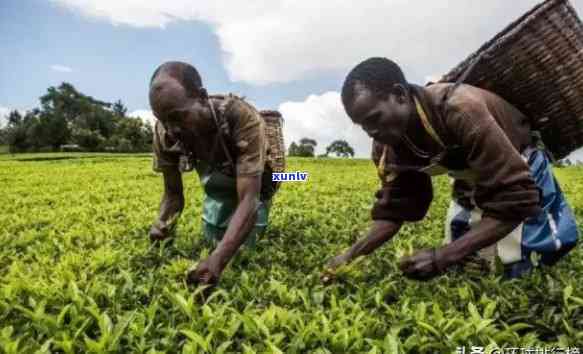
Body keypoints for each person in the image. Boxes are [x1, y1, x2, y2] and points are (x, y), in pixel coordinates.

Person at [324, 57, 579, 280]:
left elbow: (516, 202)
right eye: (363, 126)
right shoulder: (386, 145)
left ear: (400, 95)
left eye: (374, 119)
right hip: (470, 178)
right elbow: (395, 210)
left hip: (519, 167)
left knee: (518, 266)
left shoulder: (460, 108)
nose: (372, 132)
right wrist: (349, 257)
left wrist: (441, 257)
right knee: (471, 266)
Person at [148, 61, 284, 286]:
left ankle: (301, 175)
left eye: (179, 117)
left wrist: (219, 260)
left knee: (277, 183)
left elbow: (249, 200)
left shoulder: (240, 116)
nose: (173, 129)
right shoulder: (165, 132)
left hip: (262, 176)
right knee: (213, 234)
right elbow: (172, 194)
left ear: (202, 97)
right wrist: (163, 223)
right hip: (221, 176)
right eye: (164, 120)